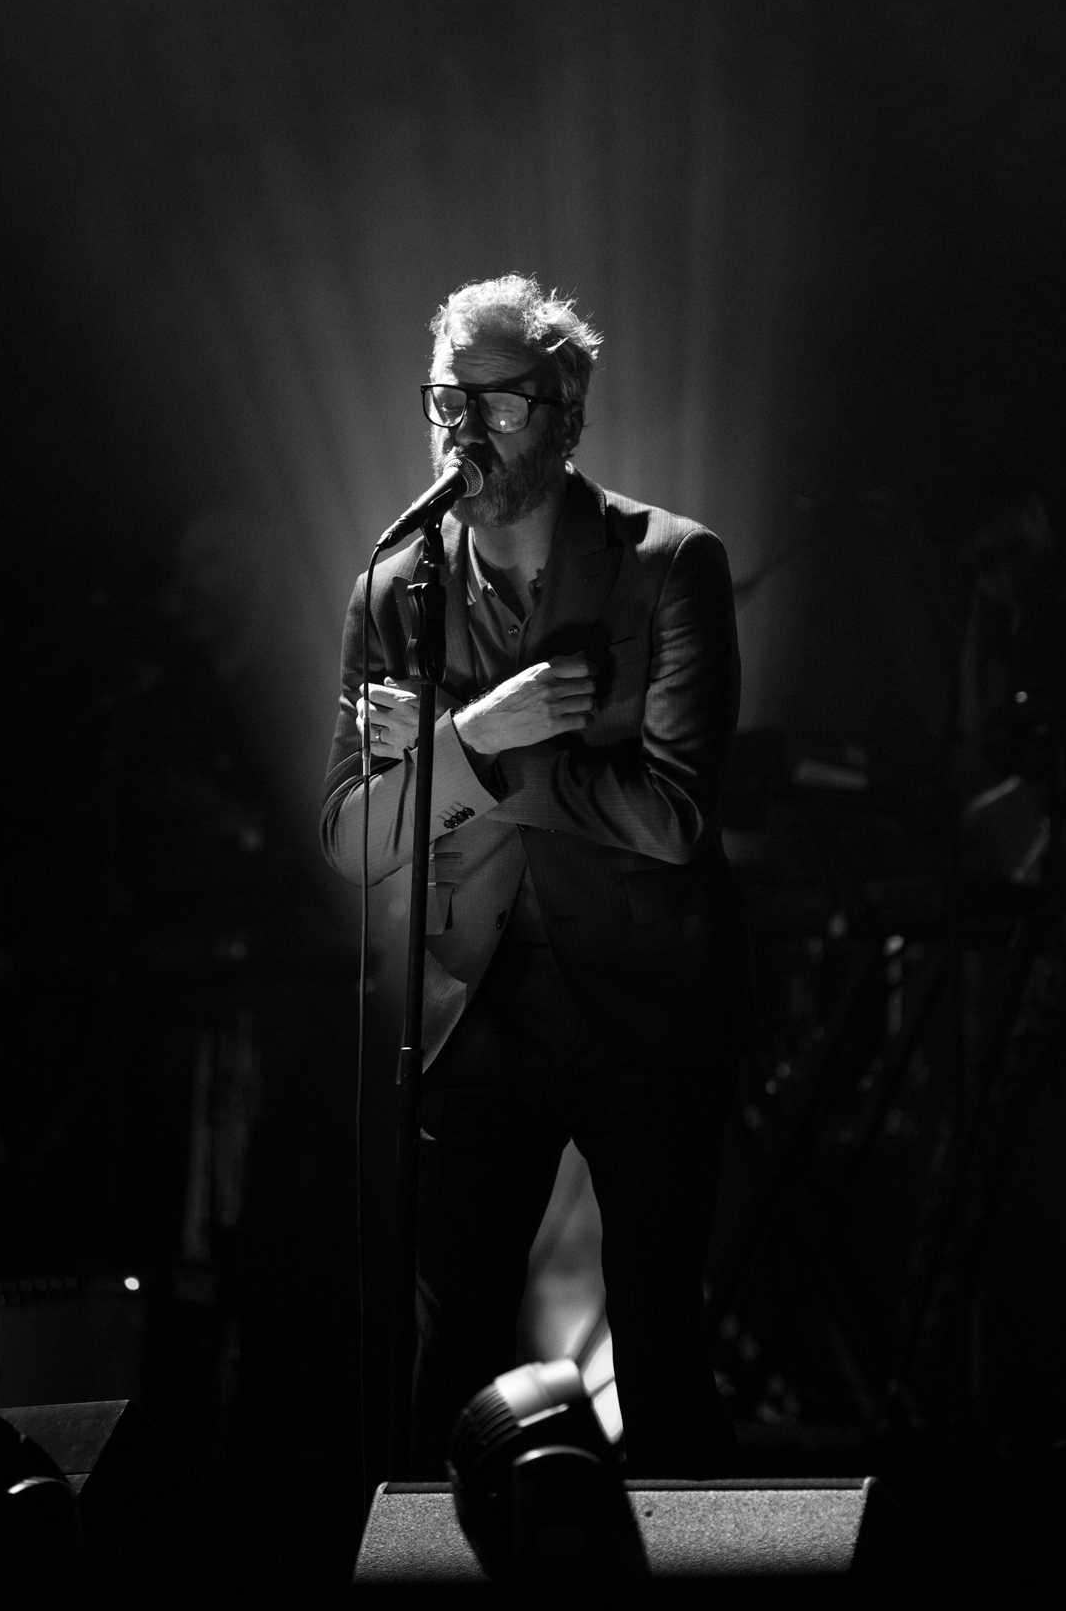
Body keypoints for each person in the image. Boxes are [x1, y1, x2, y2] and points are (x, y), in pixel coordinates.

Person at [320, 274, 746, 1475]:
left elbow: (671, 816)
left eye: (497, 403)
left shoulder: (669, 562)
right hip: (471, 1012)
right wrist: (479, 733)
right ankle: (439, 1558)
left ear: (566, 415)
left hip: (644, 1008)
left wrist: (463, 755)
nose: (463, 427)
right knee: (450, 1348)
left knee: (660, 1335)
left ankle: (690, 1555)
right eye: (444, 399)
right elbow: (352, 836)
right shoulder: (392, 586)